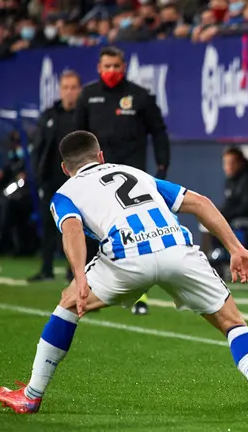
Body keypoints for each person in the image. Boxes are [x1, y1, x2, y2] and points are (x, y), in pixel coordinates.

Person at [0, 131, 248, 420]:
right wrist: (236, 248)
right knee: (233, 323)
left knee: (66, 304)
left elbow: (73, 229)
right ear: (101, 156)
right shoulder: (136, 174)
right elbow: (199, 202)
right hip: (176, 248)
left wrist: (79, 276)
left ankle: (32, 396)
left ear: (65, 168)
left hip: (127, 258)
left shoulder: (65, 193)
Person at [75, 46, 171, 315]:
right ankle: (93, 290)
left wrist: (163, 163)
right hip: (95, 175)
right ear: (98, 67)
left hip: (131, 177)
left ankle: (140, 296)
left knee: (137, 231)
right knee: (95, 230)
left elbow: (159, 131)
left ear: (124, 66)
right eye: (107, 66)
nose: (112, 71)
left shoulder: (139, 97)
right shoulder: (88, 95)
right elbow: (76, 136)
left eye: (116, 66)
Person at [29, 70, 83, 282]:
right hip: (51, 177)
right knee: (48, 223)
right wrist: (38, 175)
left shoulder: (84, 116)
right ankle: (47, 268)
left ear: (79, 90)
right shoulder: (49, 115)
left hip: (77, 180)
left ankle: (75, 271)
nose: (69, 92)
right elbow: (39, 147)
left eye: (73, 87)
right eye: (65, 88)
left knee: (76, 226)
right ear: (59, 90)